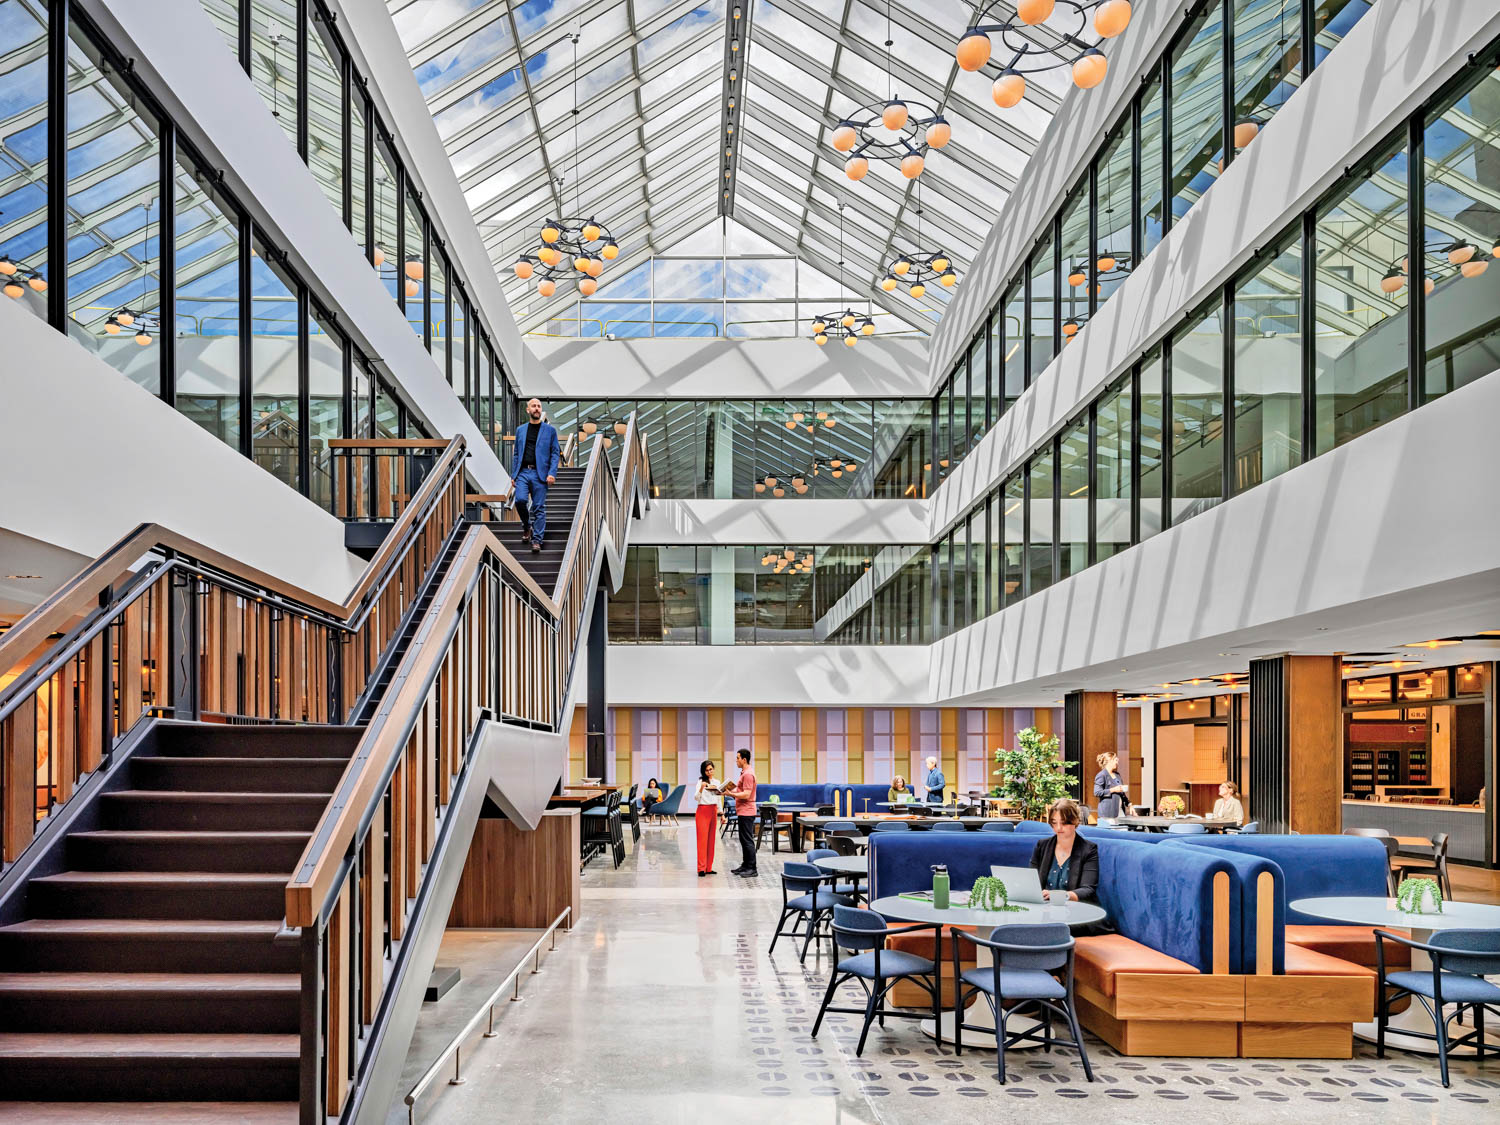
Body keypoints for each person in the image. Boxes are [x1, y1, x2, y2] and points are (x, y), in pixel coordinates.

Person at [509, 397, 561, 554]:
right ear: (528, 410)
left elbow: (554, 452)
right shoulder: (521, 430)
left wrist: (552, 473)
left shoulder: (550, 431)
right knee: (520, 500)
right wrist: (514, 474)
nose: (537, 408)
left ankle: (537, 540)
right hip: (523, 472)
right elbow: (516, 453)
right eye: (533, 406)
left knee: (539, 507)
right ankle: (526, 526)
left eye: (539, 406)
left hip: (541, 474)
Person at [1029, 798, 1099, 904]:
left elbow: (1088, 890)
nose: (1058, 828)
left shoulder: (1089, 849)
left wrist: (1060, 896)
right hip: (1045, 909)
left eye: (1064, 823)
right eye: (1054, 822)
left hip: (1075, 910)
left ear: (1075, 821)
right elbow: (1032, 881)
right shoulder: (1041, 846)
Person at [720, 749, 759, 877]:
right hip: (743, 810)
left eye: (738, 758)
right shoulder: (744, 773)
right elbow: (741, 789)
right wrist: (730, 788)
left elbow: (747, 794)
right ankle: (746, 865)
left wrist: (731, 794)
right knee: (743, 840)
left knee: (747, 840)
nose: (736, 761)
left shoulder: (748, 774)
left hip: (747, 811)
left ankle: (752, 868)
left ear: (744, 759)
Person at [691, 762, 722, 877]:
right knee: (702, 841)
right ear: (703, 771)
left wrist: (721, 813)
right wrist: (701, 788)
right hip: (703, 811)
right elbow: (695, 798)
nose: (709, 772)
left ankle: (709, 868)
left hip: (713, 811)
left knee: (711, 840)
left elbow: (718, 799)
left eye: (711, 769)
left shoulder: (717, 783)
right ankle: (701, 868)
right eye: (707, 770)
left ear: (713, 769)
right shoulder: (700, 782)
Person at [1093, 752, 1129, 820]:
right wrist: (1113, 790)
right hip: (1107, 813)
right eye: (1115, 760)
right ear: (1109, 761)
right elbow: (1097, 792)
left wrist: (1129, 804)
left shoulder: (1117, 775)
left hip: (1120, 811)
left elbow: (1122, 793)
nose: (1117, 762)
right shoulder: (1101, 775)